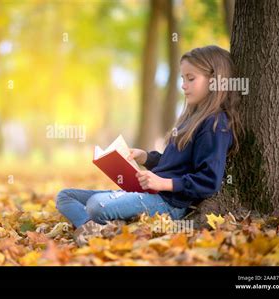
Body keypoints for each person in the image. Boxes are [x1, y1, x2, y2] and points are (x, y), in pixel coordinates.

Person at [56, 45, 242, 246]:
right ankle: (93, 229)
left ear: (214, 81)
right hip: (153, 194)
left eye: (191, 78)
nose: (183, 85)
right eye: (182, 78)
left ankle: (101, 227)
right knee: (65, 196)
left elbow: (209, 180)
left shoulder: (215, 124)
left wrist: (163, 184)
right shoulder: (191, 119)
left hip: (169, 203)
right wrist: (145, 157)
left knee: (95, 206)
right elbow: (174, 164)